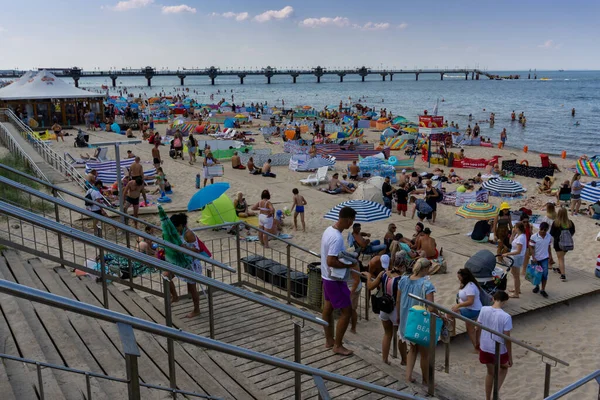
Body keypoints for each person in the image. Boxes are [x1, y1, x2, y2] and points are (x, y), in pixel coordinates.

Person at [321, 206, 357, 356]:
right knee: (346, 311)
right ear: (348, 220)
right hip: (334, 279)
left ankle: (329, 340)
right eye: (352, 221)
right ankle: (338, 345)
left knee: (328, 308)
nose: (351, 224)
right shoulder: (336, 237)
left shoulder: (328, 230)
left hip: (326, 276)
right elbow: (331, 260)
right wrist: (348, 264)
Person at [397, 258, 436, 384]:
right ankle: (426, 380)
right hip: (419, 320)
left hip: (406, 318)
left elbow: (398, 300)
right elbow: (431, 307)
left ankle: (408, 376)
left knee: (413, 349)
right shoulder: (427, 285)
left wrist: (399, 316)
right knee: (424, 353)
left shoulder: (403, 280)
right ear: (424, 269)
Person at [363, 255, 406, 365]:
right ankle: (404, 360)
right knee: (401, 337)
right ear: (402, 266)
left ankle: (385, 359)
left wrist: (368, 276)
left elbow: (370, 286)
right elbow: (398, 300)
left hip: (384, 307)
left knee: (387, 334)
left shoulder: (383, 274)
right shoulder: (401, 280)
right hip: (395, 310)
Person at [163, 213, 202, 318]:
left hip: (191, 264)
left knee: (192, 288)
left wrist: (184, 247)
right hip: (179, 262)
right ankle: (175, 296)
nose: (174, 229)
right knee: (166, 275)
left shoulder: (188, 234)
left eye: (175, 226)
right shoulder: (176, 232)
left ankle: (197, 309)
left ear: (181, 225)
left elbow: (197, 251)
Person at [477, 291, 513, 400]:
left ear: (493, 298)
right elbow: (507, 338)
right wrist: (510, 356)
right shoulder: (506, 316)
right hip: (498, 348)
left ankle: (488, 398)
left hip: (485, 345)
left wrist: (477, 343)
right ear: (505, 301)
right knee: (504, 367)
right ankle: (495, 393)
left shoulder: (483, 309)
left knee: (490, 372)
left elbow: (477, 327)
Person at [449, 268, 483, 351]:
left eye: (459, 277)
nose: (458, 278)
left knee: (470, 329)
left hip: (473, 310)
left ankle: (477, 348)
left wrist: (459, 305)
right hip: (470, 308)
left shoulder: (470, 287)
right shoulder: (467, 284)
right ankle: (452, 334)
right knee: (450, 314)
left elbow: (470, 301)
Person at [502, 222, 527, 298]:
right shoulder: (517, 235)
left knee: (516, 275)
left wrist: (507, 254)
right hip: (515, 256)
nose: (514, 228)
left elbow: (518, 251)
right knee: (514, 273)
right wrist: (512, 234)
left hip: (517, 257)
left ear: (518, 228)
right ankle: (517, 289)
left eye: (515, 227)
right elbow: (510, 242)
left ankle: (516, 293)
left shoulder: (521, 238)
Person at [550, 207, 575, 282]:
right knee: (561, 257)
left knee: (560, 259)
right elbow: (572, 232)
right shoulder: (570, 223)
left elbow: (552, 233)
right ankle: (559, 268)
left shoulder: (556, 223)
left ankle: (563, 275)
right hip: (567, 243)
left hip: (558, 243)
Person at [529, 222, 553, 298]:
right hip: (535, 258)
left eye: (544, 230)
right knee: (536, 274)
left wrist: (550, 256)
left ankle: (543, 289)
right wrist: (533, 256)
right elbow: (531, 247)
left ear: (547, 230)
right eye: (541, 229)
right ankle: (537, 286)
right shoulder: (534, 237)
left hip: (544, 258)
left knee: (545, 274)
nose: (542, 231)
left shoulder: (549, 236)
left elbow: (549, 247)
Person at [348, 262, 362, 334]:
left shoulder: (354, 264)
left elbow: (356, 281)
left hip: (354, 288)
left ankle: (353, 328)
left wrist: (350, 293)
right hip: (347, 286)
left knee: (352, 309)